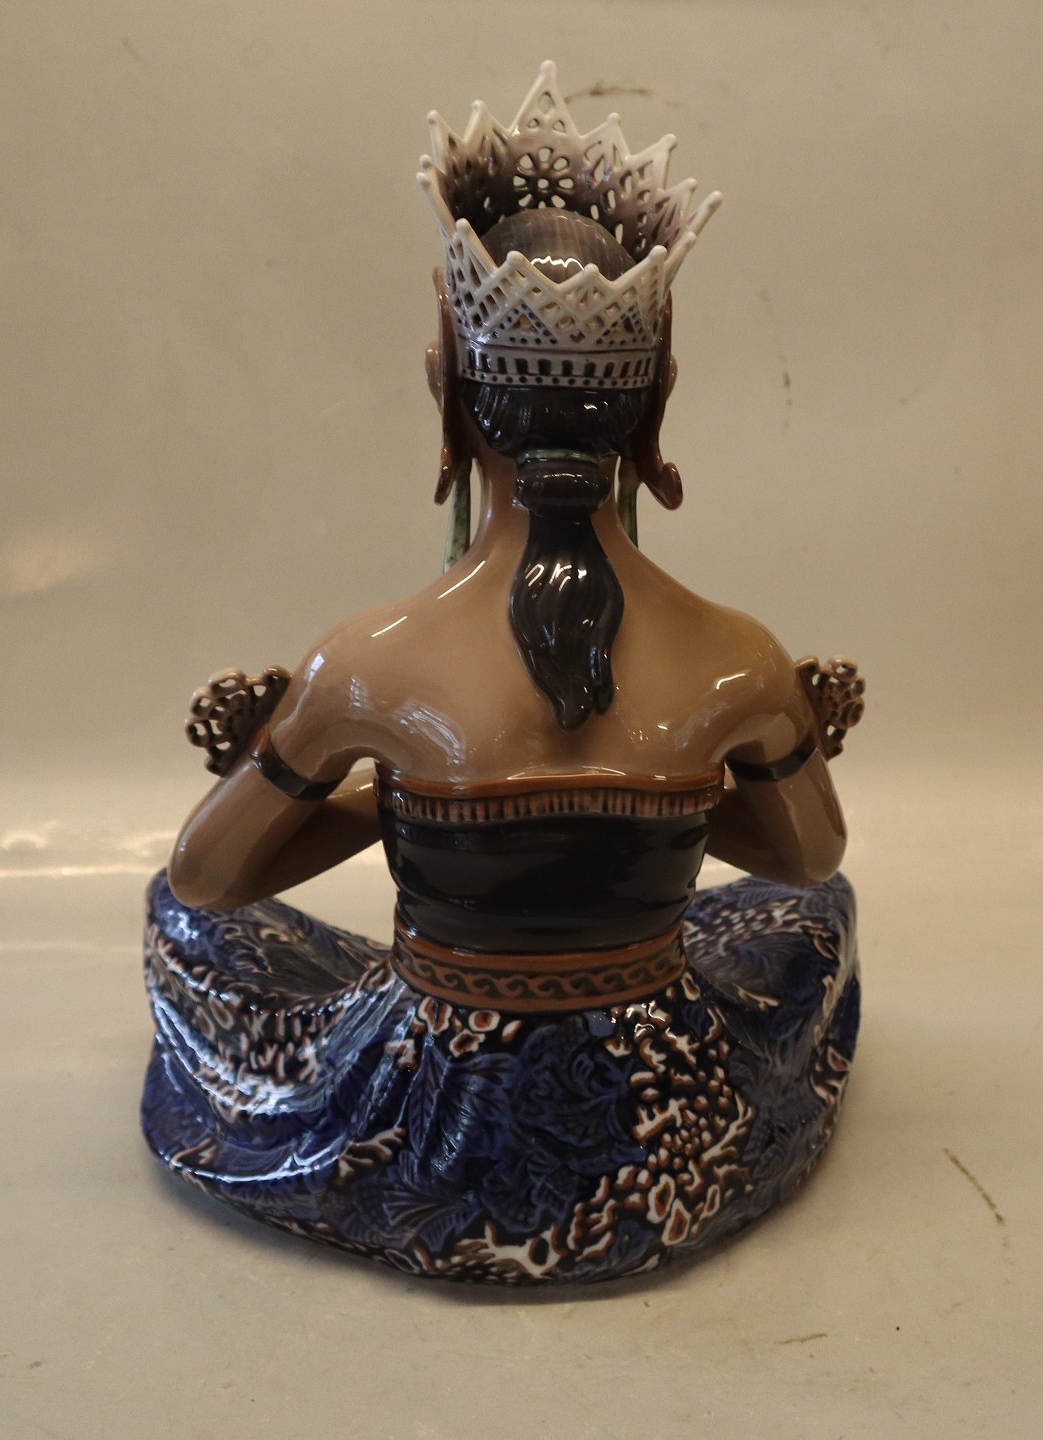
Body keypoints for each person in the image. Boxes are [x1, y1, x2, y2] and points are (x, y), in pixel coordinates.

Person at [142, 65, 862, 1284]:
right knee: (809, 918)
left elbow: (209, 878)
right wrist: (694, 788)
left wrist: (370, 796)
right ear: (654, 401)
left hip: (428, 1105)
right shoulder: (737, 658)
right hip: (659, 1108)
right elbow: (805, 858)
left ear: (447, 388)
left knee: (179, 928)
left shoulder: (363, 666)